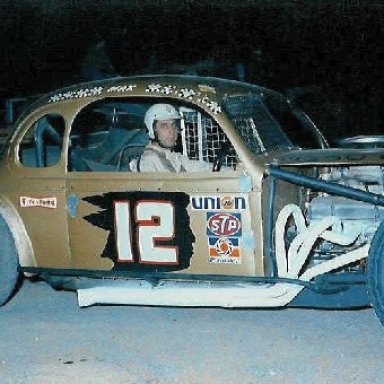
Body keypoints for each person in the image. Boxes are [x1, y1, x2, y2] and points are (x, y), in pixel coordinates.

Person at [134, 104, 211, 172]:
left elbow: (201, 168)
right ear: (151, 130)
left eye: (173, 125)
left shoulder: (174, 157)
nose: (172, 131)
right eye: (164, 126)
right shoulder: (148, 163)